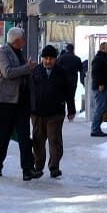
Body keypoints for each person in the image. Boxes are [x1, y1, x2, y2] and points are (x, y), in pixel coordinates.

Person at [0, 27, 37, 180]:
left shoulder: (19, 52)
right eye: (23, 39)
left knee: (24, 136)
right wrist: (27, 68)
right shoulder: (3, 52)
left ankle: (27, 170)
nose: (24, 42)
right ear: (17, 40)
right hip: (6, 101)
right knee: (4, 135)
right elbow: (7, 72)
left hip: (21, 100)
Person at [27, 45, 76, 179]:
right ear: (42, 58)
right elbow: (29, 91)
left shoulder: (62, 72)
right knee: (38, 140)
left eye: (51, 58)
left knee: (55, 140)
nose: (48, 61)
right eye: (46, 58)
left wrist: (71, 109)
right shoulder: (35, 71)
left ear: (56, 59)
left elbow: (69, 92)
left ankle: (54, 166)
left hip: (55, 112)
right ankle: (38, 166)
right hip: (37, 112)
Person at [89, 42, 107, 136]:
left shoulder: (104, 58)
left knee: (102, 108)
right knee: (100, 108)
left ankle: (96, 128)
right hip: (100, 87)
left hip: (104, 86)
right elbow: (96, 73)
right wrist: (101, 83)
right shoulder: (99, 59)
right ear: (102, 48)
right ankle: (95, 129)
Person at [55, 43, 84, 114]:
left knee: (61, 96)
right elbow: (81, 70)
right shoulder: (77, 59)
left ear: (66, 49)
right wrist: (82, 81)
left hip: (62, 80)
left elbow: (56, 68)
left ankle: (61, 112)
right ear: (73, 49)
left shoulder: (61, 58)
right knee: (71, 97)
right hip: (73, 80)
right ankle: (71, 113)